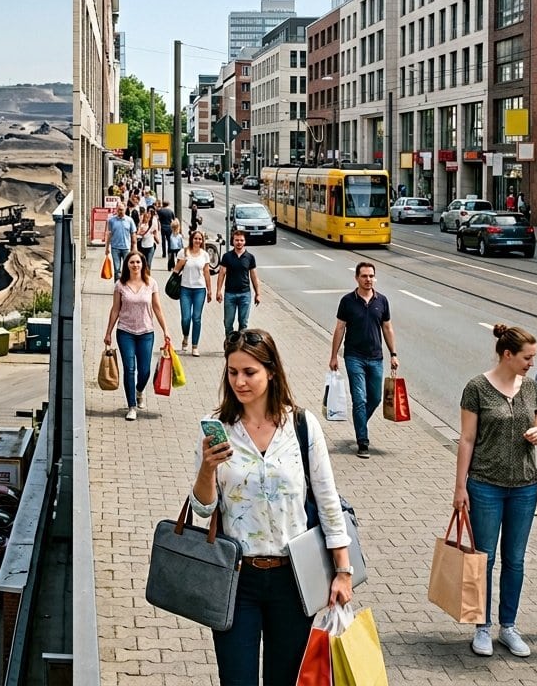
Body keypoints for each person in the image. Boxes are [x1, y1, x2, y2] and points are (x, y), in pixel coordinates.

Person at [191, 328, 354, 685]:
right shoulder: (218, 428)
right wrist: (206, 469)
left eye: (249, 372)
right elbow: (204, 510)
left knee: (285, 679)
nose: (240, 381)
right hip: (236, 579)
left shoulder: (301, 425)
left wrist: (343, 572)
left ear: (271, 372)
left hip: (294, 578)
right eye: (233, 372)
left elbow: (328, 502)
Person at [453, 325, 537, 658]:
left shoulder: (532, 386)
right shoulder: (476, 388)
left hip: (524, 485)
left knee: (515, 560)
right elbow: (466, 439)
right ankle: (482, 627)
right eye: (527, 357)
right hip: (485, 485)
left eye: (533, 357)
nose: (531, 363)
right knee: (485, 559)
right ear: (507, 355)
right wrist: (460, 487)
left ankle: (509, 627)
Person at [328, 261, 398, 459]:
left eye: (371, 276)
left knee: (375, 398)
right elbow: (340, 328)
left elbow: (387, 328)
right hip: (354, 357)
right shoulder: (347, 301)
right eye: (364, 276)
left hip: (376, 357)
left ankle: (360, 424)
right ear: (357, 278)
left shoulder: (382, 301)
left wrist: (394, 354)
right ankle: (363, 442)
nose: (368, 280)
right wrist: (334, 355)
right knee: (360, 399)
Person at [103, 250, 171, 421]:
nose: (135, 265)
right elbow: (115, 309)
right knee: (129, 368)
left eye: (138, 262)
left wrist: (166, 330)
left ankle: (139, 390)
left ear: (143, 264)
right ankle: (132, 406)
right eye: (132, 262)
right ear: (127, 265)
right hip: (125, 331)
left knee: (145, 371)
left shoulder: (151, 283)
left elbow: (157, 308)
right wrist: (108, 332)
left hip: (146, 332)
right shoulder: (120, 285)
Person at [173, 230, 213, 357]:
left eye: (200, 239)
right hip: (185, 289)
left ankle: (195, 346)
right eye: (195, 238)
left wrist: (209, 290)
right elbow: (175, 270)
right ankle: (185, 336)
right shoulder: (183, 252)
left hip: (199, 290)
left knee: (196, 318)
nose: (198, 241)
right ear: (191, 239)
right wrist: (182, 262)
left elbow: (207, 272)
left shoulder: (205, 255)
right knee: (186, 318)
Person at [215, 230, 261, 338]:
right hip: (230, 294)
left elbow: (254, 276)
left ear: (244, 242)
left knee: (243, 323)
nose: (239, 242)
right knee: (228, 323)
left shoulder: (250, 257)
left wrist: (258, 293)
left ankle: (240, 346)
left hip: (245, 294)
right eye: (237, 240)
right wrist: (218, 291)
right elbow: (222, 273)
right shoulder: (227, 256)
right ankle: (230, 344)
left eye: (241, 240)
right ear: (233, 241)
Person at [104, 202, 136, 279]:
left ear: (125, 209)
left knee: (127, 268)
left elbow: (133, 234)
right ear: (116, 209)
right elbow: (109, 234)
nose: (120, 211)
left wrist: (134, 247)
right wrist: (107, 247)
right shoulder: (111, 220)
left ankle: (126, 285)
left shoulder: (130, 220)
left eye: (122, 210)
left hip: (126, 248)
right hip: (115, 248)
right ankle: (117, 286)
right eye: (118, 210)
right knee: (117, 269)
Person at [156, 199, 177, 267]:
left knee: (163, 240)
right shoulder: (170, 211)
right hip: (169, 227)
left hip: (163, 226)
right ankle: (169, 252)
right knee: (169, 241)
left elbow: (158, 218)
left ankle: (164, 253)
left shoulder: (160, 211)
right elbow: (173, 219)